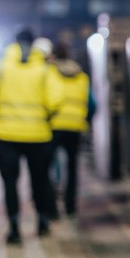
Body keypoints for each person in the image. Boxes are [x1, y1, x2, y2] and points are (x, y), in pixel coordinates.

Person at [0, 28, 64, 244]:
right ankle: (42, 221)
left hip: (6, 135)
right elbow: (56, 99)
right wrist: (44, 116)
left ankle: (14, 228)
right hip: (38, 135)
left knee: (9, 182)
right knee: (40, 180)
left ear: (14, 42)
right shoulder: (45, 69)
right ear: (34, 43)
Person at [48, 42, 95, 218]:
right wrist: (85, 120)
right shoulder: (81, 76)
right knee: (73, 169)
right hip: (75, 127)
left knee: (48, 168)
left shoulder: (50, 73)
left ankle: (52, 210)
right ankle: (70, 207)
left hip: (52, 127)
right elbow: (92, 104)